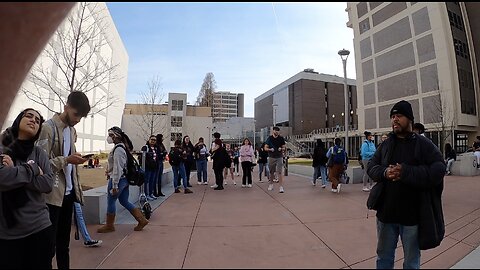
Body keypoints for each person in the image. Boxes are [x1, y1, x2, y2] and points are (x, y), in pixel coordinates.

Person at [367, 100, 446, 269]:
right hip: (386, 215)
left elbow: (439, 169)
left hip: (412, 217)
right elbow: (371, 166)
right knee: (383, 258)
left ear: (410, 119)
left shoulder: (423, 144)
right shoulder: (386, 145)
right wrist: (385, 173)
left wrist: (406, 172)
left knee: (411, 262)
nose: (395, 120)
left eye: (399, 116)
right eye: (393, 116)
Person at [36, 91, 91, 269]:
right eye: (76, 114)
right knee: (47, 248)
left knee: (63, 246)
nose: (77, 120)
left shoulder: (72, 131)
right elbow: (40, 166)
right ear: (66, 107)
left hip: (68, 195)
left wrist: (74, 160)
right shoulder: (47, 128)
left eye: (81, 117)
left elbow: (70, 164)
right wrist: (67, 160)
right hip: (51, 197)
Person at [0, 108, 54, 269]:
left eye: (37, 121)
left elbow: (48, 183)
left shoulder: (39, 153)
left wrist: (15, 173)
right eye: (29, 116)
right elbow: (2, 179)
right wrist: (33, 170)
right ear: (18, 120)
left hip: (39, 227)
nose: (33, 121)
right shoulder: (2, 149)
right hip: (7, 233)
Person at [97, 126, 149, 233]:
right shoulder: (121, 147)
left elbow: (118, 168)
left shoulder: (119, 149)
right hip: (124, 180)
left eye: (111, 135)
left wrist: (115, 185)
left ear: (116, 136)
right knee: (124, 201)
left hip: (119, 180)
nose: (109, 137)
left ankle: (109, 225)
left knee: (111, 201)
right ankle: (141, 219)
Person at [265, 126, 286, 193]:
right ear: (273, 131)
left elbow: (284, 147)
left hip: (279, 156)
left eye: (277, 130)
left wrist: (281, 149)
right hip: (271, 157)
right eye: (275, 130)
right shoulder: (269, 138)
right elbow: (265, 147)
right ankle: (271, 184)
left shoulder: (281, 138)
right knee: (271, 172)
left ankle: (281, 187)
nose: (276, 132)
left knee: (280, 172)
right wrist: (270, 149)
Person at [140, 135, 159, 201]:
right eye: (152, 139)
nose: (153, 141)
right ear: (149, 140)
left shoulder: (156, 148)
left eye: (154, 140)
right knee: (146, 181)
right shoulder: (146, 147)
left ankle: (151, 193)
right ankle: (146, 194)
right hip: (148, 168)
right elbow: (142, 157)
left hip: (154, 168)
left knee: (152, 181)